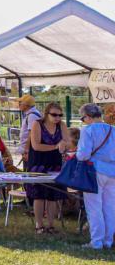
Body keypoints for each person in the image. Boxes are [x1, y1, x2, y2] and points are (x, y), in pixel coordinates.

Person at [26, 101, 70, 235]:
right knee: (39, 195)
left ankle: (51, 225)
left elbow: (68, 142)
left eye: (60, 115)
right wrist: (56, 146)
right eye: (54, 115)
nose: (57, 117)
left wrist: (64, 144)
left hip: (55, 164)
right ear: (47, 114)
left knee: (53, 196)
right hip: (38, 164)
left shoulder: (61, 125)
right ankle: (39, 225)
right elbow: (36, 146)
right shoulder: (37, 124)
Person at [76, 103, 115, 250]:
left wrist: (75, 155)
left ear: (87, 116)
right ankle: (108, 241)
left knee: (94, 207)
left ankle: (96, 242)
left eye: (82, 118)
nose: (83, 121)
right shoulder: (113, 129)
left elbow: (83, 155)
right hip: (112, 172)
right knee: (110, 208)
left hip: (95, 171)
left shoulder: (88, 130)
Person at [18, 94, 44, 164]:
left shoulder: (32, 116)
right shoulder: (31, 114)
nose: (19, 105)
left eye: (20, 103)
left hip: (31, 150)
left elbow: (32, 134)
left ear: (26, 105)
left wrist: (27, 150)